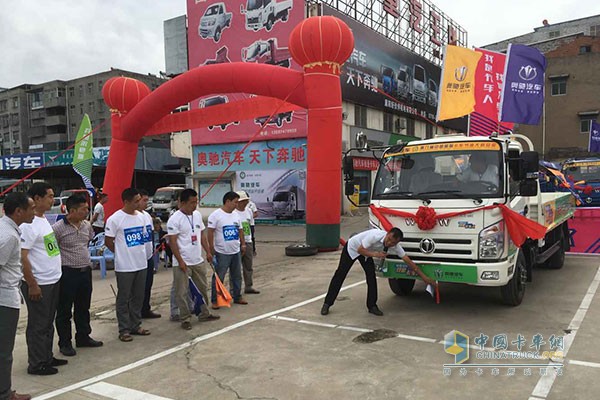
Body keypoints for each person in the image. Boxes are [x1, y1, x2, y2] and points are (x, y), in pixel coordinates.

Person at [321, 228, 436, 316]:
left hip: (367, 254)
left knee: (371, 278)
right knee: (340, 275)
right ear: (387, 234)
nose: (389, 243)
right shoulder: (374, 236)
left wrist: (424, 278)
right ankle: (327, 303)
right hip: (352, 248)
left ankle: (372, 306)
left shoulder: (395, 247)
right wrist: (376, 254)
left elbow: (408, 262)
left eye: (393, 242)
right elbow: (360, 249)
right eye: (389, 239)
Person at [20, 182, 67, 376]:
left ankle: (46, 356)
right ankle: (37, 363)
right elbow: (22, 257)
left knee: (48, 322)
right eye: (49, 196)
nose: (52, 200)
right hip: (39, 282)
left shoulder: (43, 219)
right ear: (37, 199)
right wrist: (32, 284)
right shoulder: (28, 224)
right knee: (39, 324)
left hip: (52, 279)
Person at [53, 195, 103, 358]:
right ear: (72, 210)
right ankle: (65, 343)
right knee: (64, 310)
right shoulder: (57, 228)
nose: (87, 212)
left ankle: (83, 336)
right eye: (84, 209)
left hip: (84, 272)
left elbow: (87, 242)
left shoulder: (86, 225)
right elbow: (52, 251)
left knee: (83, 307)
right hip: (67, 273)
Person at [167, 189, 220, 330]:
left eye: (196, 202)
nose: (194, 205)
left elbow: (202, 235)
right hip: (182, 262)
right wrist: (181, 261)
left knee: (202, 287)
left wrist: (208, 252)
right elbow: (172, 242)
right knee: (182, 292)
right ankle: (185, 318)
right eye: (191, 202)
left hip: (197, 260)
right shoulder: (174, 219)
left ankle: (204, 313)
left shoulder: (196, 215)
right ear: (182, 203)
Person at [0, 193, 35, 400]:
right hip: (4, 300)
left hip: (6, 296)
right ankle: (5, 394)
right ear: (19, 211)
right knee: (4, 351)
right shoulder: (9, 236)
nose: (34, 212)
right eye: (30, 208)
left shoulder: (6, 229)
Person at [105, 188, 151, 342]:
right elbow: (108, 241)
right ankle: (124, 329)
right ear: (126, 202)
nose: (139, 203)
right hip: (125, 266)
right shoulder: (115, 219)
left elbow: (144, 238)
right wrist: (121, 252)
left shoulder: (142, 217)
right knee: (124, 298)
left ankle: (135, 325)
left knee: (138, 296)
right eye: (136, 201)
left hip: (141, 263)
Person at [208, 191, 247, 308]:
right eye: (235, 202)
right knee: (219, 276)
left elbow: (240, 230)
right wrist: (211, 248)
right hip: (222, 252)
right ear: (228, 201)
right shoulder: (215, 215)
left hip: (235, 250)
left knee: (236, 275)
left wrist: (243, 244)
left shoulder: (236, 215)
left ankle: (237, 296)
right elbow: (210, 232)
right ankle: (215, 300)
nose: (236, 205)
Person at [139, 189, 161, 319]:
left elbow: (151, 234)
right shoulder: (133, 216)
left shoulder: (147, 216)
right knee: (137, 288)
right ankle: (135, 312)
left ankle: (145, 309)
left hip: (148, 256)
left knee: (148, 285)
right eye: (144, 200)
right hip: (137, 259)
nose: (146, 203)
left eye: (147, 200)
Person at [234, 191, 260, 294]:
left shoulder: (249, 211)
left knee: (248, 266)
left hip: (248, 241)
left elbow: (250, 226)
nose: (244, 203)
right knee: (236, 268)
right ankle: (235, 290)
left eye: (246, 201)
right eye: (242, 201)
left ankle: (248, 286)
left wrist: (251, 241)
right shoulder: (233, 212)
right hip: (237, 242)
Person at [245, 191, 258, 256]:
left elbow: (256, 213)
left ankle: (253, 250)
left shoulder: (251, 204)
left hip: (250, 224)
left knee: (251, 237)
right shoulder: (238, 205)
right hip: (242, 225)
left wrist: (249, 217)